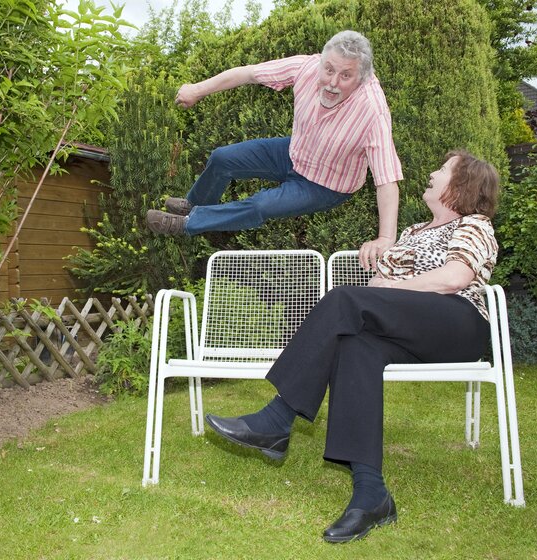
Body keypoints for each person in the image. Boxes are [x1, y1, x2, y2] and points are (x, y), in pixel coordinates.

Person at [203, 150, 500, 543]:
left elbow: (454, 277)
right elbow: (378, 293)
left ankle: (277, 419)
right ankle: (371, 494)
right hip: (409, 329)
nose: (431, 172)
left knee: (345, 300)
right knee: (355, 346)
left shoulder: (474, 225)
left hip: (458, 323)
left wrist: (386, 289)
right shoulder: (412, 232)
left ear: (462, 185)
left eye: (442, 169)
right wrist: (379, 268)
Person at [146, 30, 403, 269]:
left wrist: (386, 237)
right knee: (222, 158)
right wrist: (197, 90)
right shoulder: (306, 66)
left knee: (261, 205)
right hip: (294, 153)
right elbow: (249, 73)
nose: (332, 82)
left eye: (345, 76)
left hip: (326, 185)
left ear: (361, 79)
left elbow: (387, 180)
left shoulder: (372, 110)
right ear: (322, 61)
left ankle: (190, 223)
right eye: (329, 70)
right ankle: (195, 204)